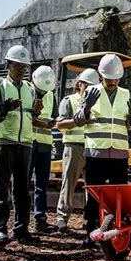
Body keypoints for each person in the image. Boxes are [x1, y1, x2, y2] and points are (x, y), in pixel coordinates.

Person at [74, 54, 131, 247]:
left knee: (120, 198)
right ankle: (90, 232)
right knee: (94, 197)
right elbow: (78, 120)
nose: (112, 81)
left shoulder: (126, 94)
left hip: (118, 154)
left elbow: (128, 126)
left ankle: (120, 232)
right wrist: (86, 107)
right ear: (101, 75)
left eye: (116, 78)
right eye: (109, 78)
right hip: (96, 153)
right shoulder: (91, 92)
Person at [0, 45, 43, 245]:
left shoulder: (30, 88)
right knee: (1, 188)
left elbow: (30, 118)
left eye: (25, 67)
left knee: (22, 189)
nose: (23, 70)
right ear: (8, 65)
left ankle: (21, 228)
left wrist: (37, 112)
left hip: (25, 142)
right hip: (5, 142)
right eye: (18, 66)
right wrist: (5, 107)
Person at [56, 68, 99, 232]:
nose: (88, 89)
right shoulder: (69, 101)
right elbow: (59, 124)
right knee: (69, 183)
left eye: (92, 86)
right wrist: (78, 120)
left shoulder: (97, 102)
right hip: (74, 146)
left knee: (92, 186)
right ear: (79, 83)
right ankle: (62, 217)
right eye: (86, 85)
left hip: (93, 147)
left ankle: (91, 218)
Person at [30, 65, 58, 233]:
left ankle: (40, 219)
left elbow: (54, 118)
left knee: (42, 184)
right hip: (28, 142)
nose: (43, 92)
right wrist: (38, 120)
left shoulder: (51, 96)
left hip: (45, 144)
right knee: (23, 184)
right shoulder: (26, 92)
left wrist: (51, 124)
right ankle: (22, 222)